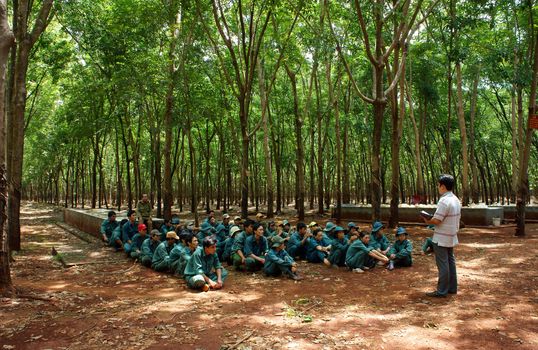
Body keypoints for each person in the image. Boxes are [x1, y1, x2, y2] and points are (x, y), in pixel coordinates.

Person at [422, 174, 461, 298]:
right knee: (450, 261)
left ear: (443, 186)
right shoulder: (455, 199)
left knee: (443, 264)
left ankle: (442, 291)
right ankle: (452, 288)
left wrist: (427, 220)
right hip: (451, 235)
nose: (438, 188)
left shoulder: (444, 200)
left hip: (441, 237)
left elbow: (437, 220)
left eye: (438, 185)